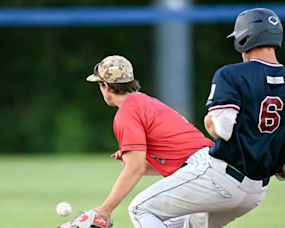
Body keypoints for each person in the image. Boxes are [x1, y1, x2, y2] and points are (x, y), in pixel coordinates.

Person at [123, 7, 285, 228]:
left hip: (220, 178)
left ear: (244, 38)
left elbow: (222, 128)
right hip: (255, 192)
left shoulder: (232, 74)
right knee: (187, 225)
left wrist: (208, 121)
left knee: (141, 208)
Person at [58, 55, 214, 228]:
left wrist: (104, 211)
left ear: (106, 86)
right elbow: (163, 162)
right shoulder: (145, 101)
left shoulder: (127, 112)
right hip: (211, 168)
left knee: (139, 209)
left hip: (200, 170)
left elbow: (135, 168)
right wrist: (132, 161)